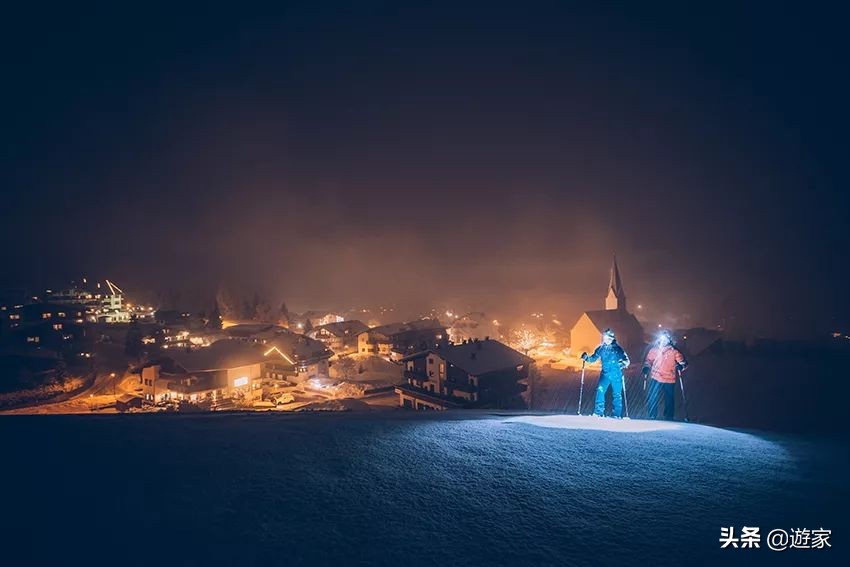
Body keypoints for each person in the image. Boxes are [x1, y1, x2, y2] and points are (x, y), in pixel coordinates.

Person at [581, 328, 630, 418]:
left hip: (616, 375)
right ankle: (598, 412)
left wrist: (622, 363)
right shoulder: (601, 348)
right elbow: (593, 358)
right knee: (600, 391)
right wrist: (586, 358)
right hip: (605, 375)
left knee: (617, 395)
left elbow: (626, 360)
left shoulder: (617, 349)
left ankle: (616, 414)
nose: (605, 340)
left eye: (607, 338)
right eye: (604, 338)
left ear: (611, 338)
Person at [642, 330, 688, 420]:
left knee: (669, 398)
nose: (663, 341)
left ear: (668, 340)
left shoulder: (673, 351)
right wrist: (646, 367)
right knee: (652, 396)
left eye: (665, 339)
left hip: (669, 378)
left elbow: (683, 363)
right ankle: (652, 415)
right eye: (662, 339)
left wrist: (681, 366)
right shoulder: (654, 350)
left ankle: (669, 416)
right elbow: (648, 360)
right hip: (656, 376)